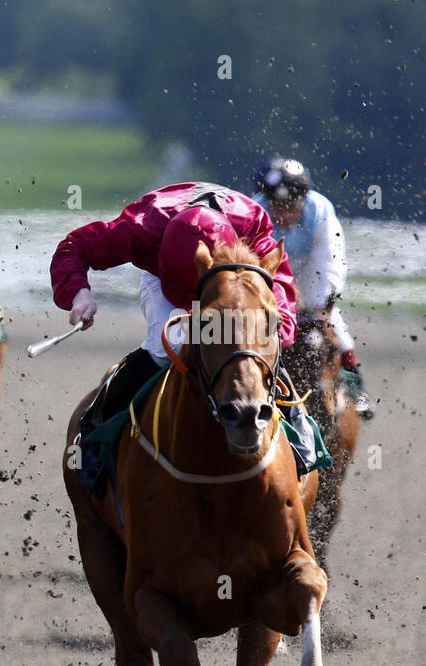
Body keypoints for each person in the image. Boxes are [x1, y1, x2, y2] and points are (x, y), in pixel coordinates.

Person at [51, 181, 307, 495]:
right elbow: (74, 247)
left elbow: (279, 279)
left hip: (231, 274)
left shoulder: (252, 223)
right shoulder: (141, 229)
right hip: (166, 280)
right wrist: (78, 294)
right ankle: (92, 435)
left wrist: (274, 331)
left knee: (255, 343)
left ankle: (299, 431)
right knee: (168, 346)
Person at [253, 156, 372, 418]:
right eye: (277, 206)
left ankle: (358, 391)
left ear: (302, 200)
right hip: (269, 271)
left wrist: (322, 305)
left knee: (337, 330)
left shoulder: (320, 211)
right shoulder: (255, 214)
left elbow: (331, 261)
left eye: (290, 206)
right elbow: (253, 266)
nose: (283, 213)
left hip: (310, 270)